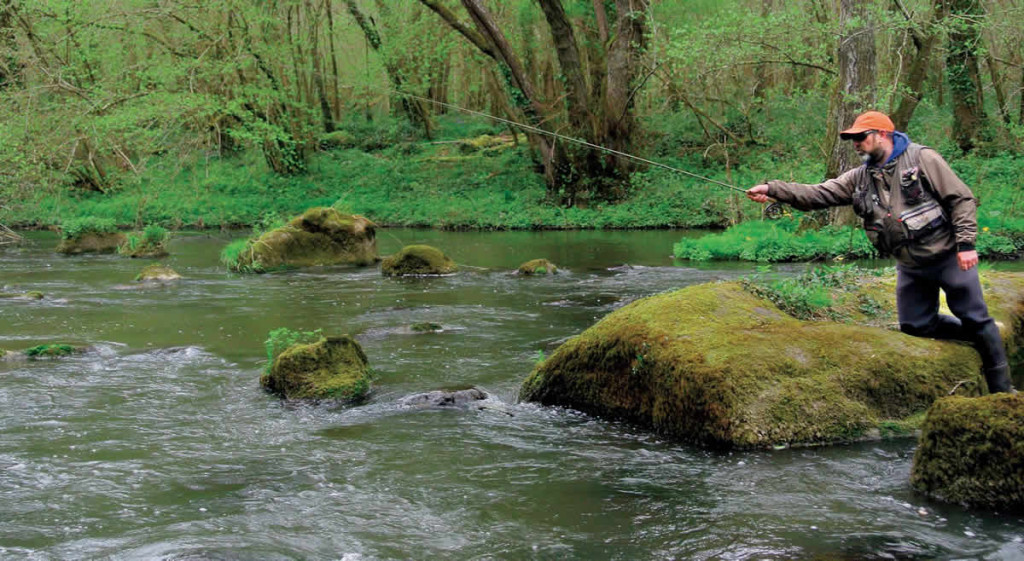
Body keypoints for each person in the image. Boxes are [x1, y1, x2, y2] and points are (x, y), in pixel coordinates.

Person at [746, 110, 1015, 394]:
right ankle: (979, 337)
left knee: (975, 317)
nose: (856, 143)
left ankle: (1003, 391)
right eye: (853, 139)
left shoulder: (923, 158)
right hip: (911, 265)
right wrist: (774, 190)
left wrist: (966, 244)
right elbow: (819, 193)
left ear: (882, 135)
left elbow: (961, 199)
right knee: (915, 326)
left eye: (861, 137)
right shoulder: (859, 177)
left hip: (948, 255)